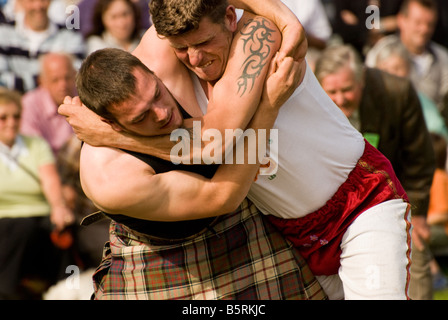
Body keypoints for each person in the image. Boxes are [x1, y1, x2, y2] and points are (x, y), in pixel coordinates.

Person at [61, 0, 412, 300]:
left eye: (205, 42)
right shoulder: (163, 50)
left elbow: (215, 141)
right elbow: (216, 178)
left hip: (360, 206)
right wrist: (110, 135)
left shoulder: (259, 35)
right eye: (182, 48)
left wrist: (116, 137)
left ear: (230, 17)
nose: (195, 58)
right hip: (290, 232)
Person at [314, 44, 436, 299]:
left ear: (362, 81)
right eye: (332, 92)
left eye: (347, 90)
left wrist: (419, 212)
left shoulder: (397, 93)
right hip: (335, 208)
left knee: (415, 259)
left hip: (394, 196)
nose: (340, 99)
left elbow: (419, 157)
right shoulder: (312, 106)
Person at [0, 88, 74, 299]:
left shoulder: (36, 144)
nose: (11, 122)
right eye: (2, 117)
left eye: (16, 116)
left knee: (62, 229)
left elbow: (50, 179)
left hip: (40, 214)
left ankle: (67, 290)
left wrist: (59, 207)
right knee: (23, 228)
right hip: (5, 218)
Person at [365, 0, 448, 123]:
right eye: (418, 22)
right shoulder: (380, 52)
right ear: (401, 20)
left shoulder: (442, 57)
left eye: (430, 24)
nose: (424, 29)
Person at [0, 0, 85, 93]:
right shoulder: (4, 32)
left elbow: (77, 76)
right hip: (13, 101)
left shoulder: (70, 36)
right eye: (31, 1)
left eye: (43, 0)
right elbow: (2, 78)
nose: (38, 6)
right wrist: (43, 80)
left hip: (53, 104)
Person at [372, 41, 448, 141]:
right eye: (385, 70)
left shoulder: (422, 103)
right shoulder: (370, 103)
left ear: (408, 70)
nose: (391, 75)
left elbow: (440, 139)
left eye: (397, 68)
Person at [20, 52, 76, 157]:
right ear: (42, 81)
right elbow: (34, 151)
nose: (63, 85)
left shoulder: (86, 98)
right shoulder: (29, 104)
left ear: (75, 75)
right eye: (55, 80)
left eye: (67, 78)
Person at [427, 133, 448, 290]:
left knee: (413, 233)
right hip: (437, 229)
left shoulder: (438, 177)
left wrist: (420, 220)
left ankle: (437, 277)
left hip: (443, 230)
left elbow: (443, 213)